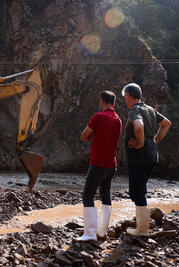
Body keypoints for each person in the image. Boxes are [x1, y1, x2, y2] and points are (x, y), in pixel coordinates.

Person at [122, 83, 171, 236]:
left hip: (139, 156)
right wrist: (155, 140)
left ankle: (142, 229)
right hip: (152, 155)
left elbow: (138, 125)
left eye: (125, 97)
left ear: (129, 96)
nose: (125, 100)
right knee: (139, 190)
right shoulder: (150, 109)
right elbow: (167, 124)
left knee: (137, 191)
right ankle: (142, 225)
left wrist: (140, 143)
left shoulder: (134, 110)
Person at [77, 91, 122, 241]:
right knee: (105, 195)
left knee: (87, 195)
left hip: (98, 163)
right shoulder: (118, 120)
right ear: (114, 104)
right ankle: (102, 232)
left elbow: (83, 135)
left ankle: (89, 234)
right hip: (111, 164)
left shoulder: (98, 117)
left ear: (102, 101)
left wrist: (95, 137)